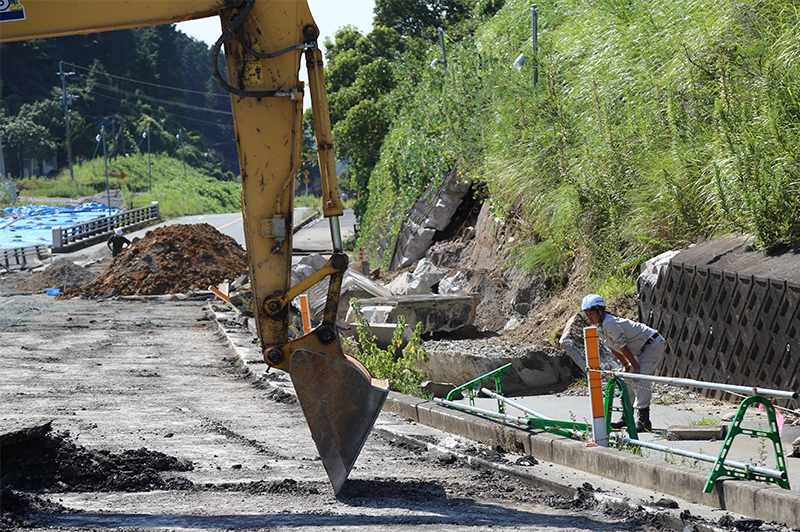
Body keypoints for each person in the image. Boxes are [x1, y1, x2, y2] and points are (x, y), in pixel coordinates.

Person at [581, 294, 666, 432]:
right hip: (639, 350)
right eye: (586, 314)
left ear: (600, 311)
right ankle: (626, 417)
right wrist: (627, 365)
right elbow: (613, 349)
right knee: (626, 380)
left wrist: (636, 367)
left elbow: (622, 346)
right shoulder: (600, 326)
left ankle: (644, 421)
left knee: (640, 378)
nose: (588, 317)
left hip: (652, 344)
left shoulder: (609, 323)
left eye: (591, 313)